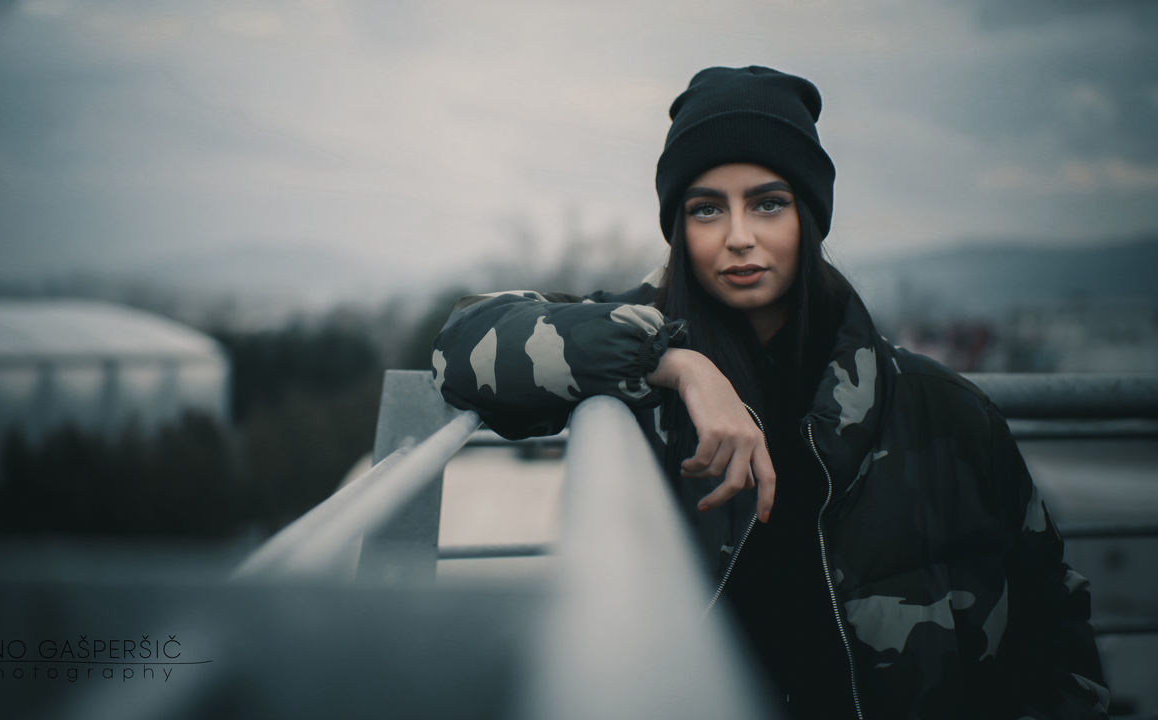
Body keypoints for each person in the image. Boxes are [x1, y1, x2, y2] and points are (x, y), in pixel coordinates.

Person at [431, 66, 1108, 719]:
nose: (739, 238)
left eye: (768, 203)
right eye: (705, 209)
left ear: (808, 216)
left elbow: (1058, 643)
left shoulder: (947, 413)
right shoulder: (639, 367)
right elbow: (462, 343)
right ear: (678, 229)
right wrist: (677, 366)